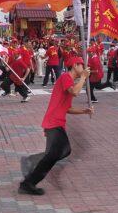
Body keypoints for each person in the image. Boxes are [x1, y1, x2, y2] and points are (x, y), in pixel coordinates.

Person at [19, 57, 94, 195]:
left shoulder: (69, 80)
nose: (83, 68)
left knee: (61, 151)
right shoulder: (66, 77)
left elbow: (67, 108)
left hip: (57, 122)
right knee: (61, 151)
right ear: (75, 65)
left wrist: (84, 111)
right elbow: (75, 92)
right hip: (54, 122)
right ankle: (29, 181)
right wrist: (83, 77)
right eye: (82, 65)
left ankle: (31, 165)